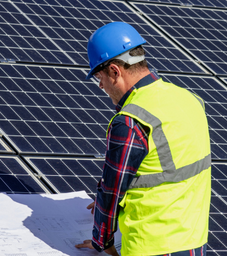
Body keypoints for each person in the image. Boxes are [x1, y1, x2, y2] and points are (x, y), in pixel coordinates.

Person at [75, 22, 211, 256]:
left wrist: (102, 242)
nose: (101, 86)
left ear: (115, 71)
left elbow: (111, 191)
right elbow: (166, 171)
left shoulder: (131, 119)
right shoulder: (190, 99)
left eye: (100, 77)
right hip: (194, 244)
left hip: (151, 247)